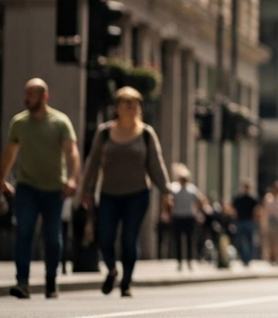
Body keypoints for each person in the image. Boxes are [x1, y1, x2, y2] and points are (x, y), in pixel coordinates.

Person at [78, 87, 172, 296]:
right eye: (126, 102)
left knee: (130, 239)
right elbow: (92, 164)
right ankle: (112, 269)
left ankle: (127, 281)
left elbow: (156, 166)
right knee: (106, 237)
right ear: (117, 107)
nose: (130, 107)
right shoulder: (104, 132)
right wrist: (84, 191)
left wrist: (166, 192)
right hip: (109, 193)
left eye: (134, 103)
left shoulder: (146, 134)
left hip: (138, 194)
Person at [2, 79, 81, 299]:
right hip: (26, 187)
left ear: (44, 96)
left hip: (54, 189)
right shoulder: (19, 123)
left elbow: (72, 152)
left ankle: (50, 280)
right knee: (24, 232)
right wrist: (1, 179)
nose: (27, 98)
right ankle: (22, 282)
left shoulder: (60, 122)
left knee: (52, 237)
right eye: (26, 94)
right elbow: (10, 153)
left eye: (32, 94)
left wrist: (73, 180)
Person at [169, 166, 207, 270]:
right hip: (177, 216)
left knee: (190, 240)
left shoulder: (192, 189)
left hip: (189, 217)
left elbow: (201, 200)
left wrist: (197, 212)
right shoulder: (174, 188)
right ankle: (179, 262)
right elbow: (168, 201)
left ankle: (190, 261)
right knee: (178, 241)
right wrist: (168, 212)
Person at [231, 181, 260, 266]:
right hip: (240, 221)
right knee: (240, 241)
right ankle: (244, 257)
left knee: (250, 241)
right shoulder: (238, 199)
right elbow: (233, 210)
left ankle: (248, 258)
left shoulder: (253, 199)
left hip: (250, 221)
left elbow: (257, 210)